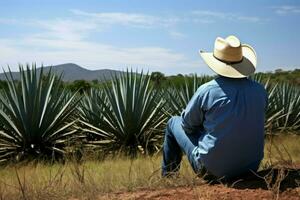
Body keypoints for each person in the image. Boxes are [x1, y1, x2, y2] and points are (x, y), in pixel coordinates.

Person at [162, 35, 268, 179]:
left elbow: (186, 125)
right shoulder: (260, 90)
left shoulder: (208, 90)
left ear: (216, 63)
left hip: (212, 171)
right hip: (250, 168)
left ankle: (168, 178)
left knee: (173, 122)